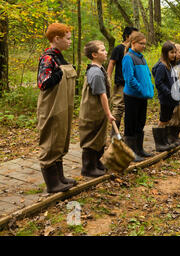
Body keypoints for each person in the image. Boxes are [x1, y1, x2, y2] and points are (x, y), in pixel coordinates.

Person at [37, 23, 77, 193]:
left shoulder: (59, 57)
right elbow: (43, 83)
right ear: (56, 39)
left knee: (60, 140)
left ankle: (60, 178)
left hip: (63, 107)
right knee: (51, 141)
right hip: (51, 108)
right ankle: (52, 184)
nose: (70, 42)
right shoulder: (48, 58)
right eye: (67, 39)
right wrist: (58, 74)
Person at [79, 40, 115, 178]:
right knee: (91, 138)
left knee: (99, 138)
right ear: (94, 54)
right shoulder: (95, 73)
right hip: (92, 112)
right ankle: (88, 168)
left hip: (98, 112)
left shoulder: (100, 69)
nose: (106, 52)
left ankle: (97, 163)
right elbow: (102, 95)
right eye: (102, 50)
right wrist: (109, 114)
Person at [122, 31, 154, 161]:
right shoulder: (128, 57)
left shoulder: (141, 57)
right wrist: (141, 89)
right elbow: (129, 79)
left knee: (141, 123)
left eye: (145, 44)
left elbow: (147, 74)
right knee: (131, 124)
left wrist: (150, 87)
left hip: (142, 97)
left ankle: (139, 150)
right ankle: (130, 153)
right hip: (132, 97)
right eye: (141, 43)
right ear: (133, 43)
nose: (144, 46)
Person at [151, 41, 180, 151]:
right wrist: (169, 93)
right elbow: (159, 83)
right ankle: (160, 142)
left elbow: (174, 81)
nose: (174, 55)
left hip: (172, 97)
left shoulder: (170, 65)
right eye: (171, 52)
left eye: (175, 52)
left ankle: (165, 140)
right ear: (165, 53)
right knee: (164, 119)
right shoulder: (162, 66)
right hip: (166, 97)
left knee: (168, 118)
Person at [107, 26, 138, 137]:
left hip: (133, 84)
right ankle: (114, 135)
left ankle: (129, 134)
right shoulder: (119, 48)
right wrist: (108, 78)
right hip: (121, 83)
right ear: (127, 36)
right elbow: (112, 63)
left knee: (131, 108)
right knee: (119, 108)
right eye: (134, 35)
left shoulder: (135, 49)